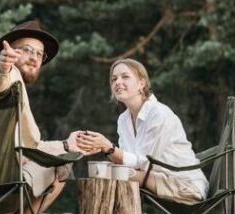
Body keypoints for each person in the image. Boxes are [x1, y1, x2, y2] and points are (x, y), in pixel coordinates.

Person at [0, 19, 81, 214]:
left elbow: (28, 146)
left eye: (39, 54)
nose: (34, 58)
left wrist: (64, 143)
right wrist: (4, 69)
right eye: (27, 50)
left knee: (38, 160)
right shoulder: (7, 77)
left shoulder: (13, 86)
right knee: (64, 163)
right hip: (1, 182)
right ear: (10, 52)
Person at [77, 58, 207, 204]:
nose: (117, 82)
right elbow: (128, 163)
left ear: (141, 83)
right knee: (101, 171)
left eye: (125, 76)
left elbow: (145, 163)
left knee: (110, 173)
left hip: (185, 185)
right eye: (114, 79)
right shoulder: (123, 120)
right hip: (151, 178)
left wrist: (109, 147)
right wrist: (104, 149)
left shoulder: (159, 114)